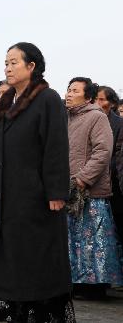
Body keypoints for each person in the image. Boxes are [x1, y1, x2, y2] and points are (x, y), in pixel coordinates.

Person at [0, 42, 74, 322]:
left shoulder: (47, 99)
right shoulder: (2, 105)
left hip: (37, 199)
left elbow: (56, 147)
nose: (8, 67)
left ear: (31, 66)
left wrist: (56, 192)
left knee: (37, 263)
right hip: (7, 198)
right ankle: (16, 314)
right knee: (11, 262)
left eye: (14, 62)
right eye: (6, 63)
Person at [65, 77, 123, 299]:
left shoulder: (97, 117)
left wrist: (82, 179)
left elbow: (102, 152)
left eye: (75, 90)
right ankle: (76, 283)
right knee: (74, 241)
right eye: (68, 89)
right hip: (68, 190)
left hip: (90, 191)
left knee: (93, 242)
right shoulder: (66, 118)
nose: (69, 94)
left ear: (87, 97)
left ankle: (96, 287)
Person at [96, 86, 123, 240]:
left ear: (112, 103)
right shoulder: (90, 121)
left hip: (115, 187)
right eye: (95, 99)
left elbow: (117, 158)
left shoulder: (119, 124)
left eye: (102, 99)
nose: (97, 103)